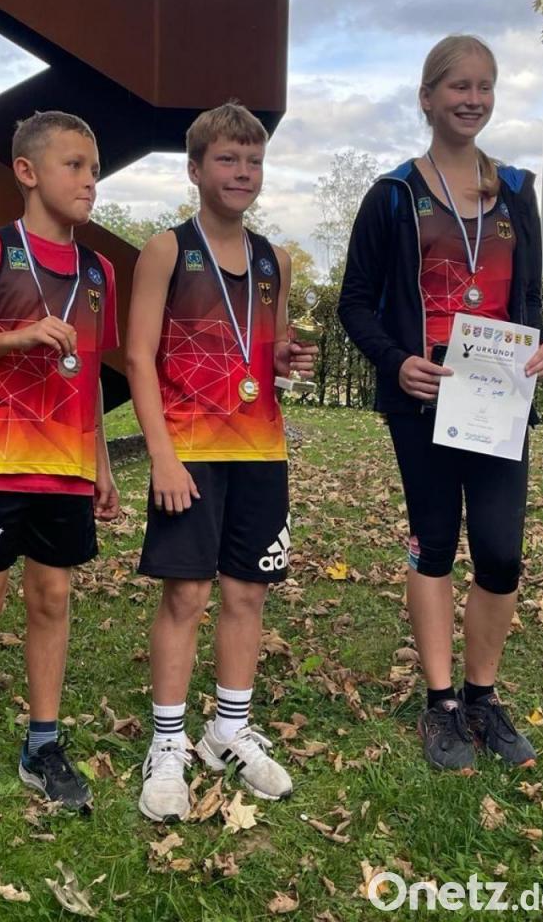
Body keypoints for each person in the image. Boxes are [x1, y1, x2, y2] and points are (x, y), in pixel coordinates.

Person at [338, 36, 543, 772]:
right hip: (425, 399)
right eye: (458, 86)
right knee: (434, 544)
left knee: (500, 553)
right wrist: (396, 361)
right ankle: (441, 703)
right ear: (427, 97)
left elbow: (527, 299)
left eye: (484, 86)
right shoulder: (393, 195)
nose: (473, 99)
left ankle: (482, 696)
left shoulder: (517, 191)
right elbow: (355, 303)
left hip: (500, 400)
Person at [0, 110, 119, 831]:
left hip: (65, 466)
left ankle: (42, 745)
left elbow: (88, 373)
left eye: (95, 169)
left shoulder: (98, 272)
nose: (90, 181)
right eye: (75, 165)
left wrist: (101, 464)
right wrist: (18, 336)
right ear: (27, 172)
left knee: (53, 598)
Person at [126, 102, 317, 822]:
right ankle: (168, 743)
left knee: (248, 593)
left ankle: (228, 731)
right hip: (191, 453)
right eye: (228, 159)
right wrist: (162, 457)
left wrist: (286, 357)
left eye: (254, 160)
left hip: (260, 449)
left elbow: (268, 349)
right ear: (196, 168)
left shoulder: (275, 259)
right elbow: (138, 358)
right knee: (186, 595)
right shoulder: (167, 250)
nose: (243, 172)